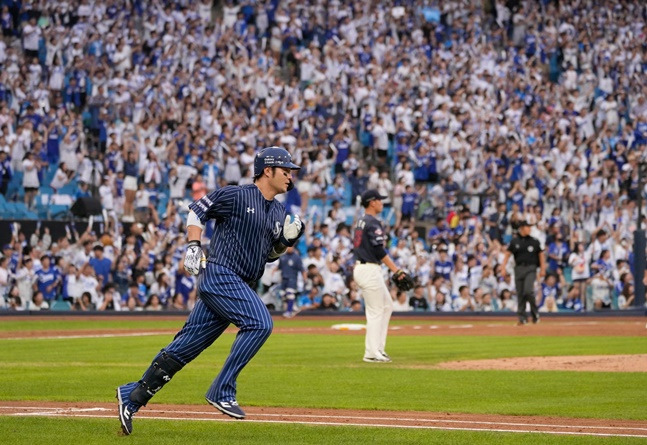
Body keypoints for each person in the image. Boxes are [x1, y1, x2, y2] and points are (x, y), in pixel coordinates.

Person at [115, 147, 304, 435]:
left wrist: (283, 243)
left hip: (238, 283)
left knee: (184, 348)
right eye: (286, 170)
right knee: (260, 323)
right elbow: (196, 209)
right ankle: (222, 390)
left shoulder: (278, 210)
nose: (290, 176)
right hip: (221, 275)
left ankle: (132, 397)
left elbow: (266, 255)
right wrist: (193, 245)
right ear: (268, 170)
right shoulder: (236, 194)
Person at [352, 189, 413, 363]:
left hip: (365, 267)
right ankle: (371, 353)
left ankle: (378, 348)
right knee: (376, 311)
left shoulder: (361, 221)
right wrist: (397, 270)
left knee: (387, 306)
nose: (381, 203)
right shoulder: (372, 222)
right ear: (372, 202)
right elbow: (379, 250)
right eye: (379, 200)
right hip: (369, 268)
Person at [502, 221, 546, 325]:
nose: (529, 229)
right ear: (521, 228)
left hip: (531, 268)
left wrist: (543, 268)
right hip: (518, 268)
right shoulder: (515, 241)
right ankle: (522, 317)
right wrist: (502, 267)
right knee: (520, 293)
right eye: (527, 227)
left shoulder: (534, 241)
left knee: (528, 291)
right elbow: (507, 254)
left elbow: (541, 255)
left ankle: (534, 313)